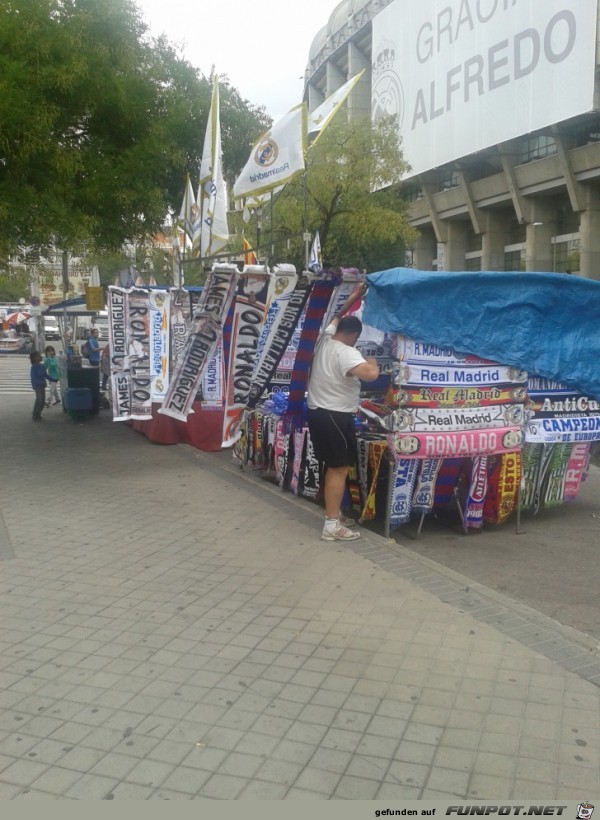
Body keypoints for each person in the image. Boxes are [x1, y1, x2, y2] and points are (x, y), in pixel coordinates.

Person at [307, 283, 380, 542]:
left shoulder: (325, 340)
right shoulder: (347, 352)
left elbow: (337, 314)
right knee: (338, 469)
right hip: (335, 416)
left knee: (332, 466)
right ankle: (331, 526)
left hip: (317, 413)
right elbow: (370, 375)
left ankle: (333, 514)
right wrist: (373, 359)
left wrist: (356, 296)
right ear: (354, 337)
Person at [30, 351, 47, 421]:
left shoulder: (42, 366)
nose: (41, 357)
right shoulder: (33, 367)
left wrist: (54, 379)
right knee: (39, 399)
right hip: (37, 386)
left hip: (42, 385)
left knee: (42, 400)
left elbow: (46, 375)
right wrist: (39, 382)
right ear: (34, 358)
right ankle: (35, 414)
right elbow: (33, 377)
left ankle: (39, 413)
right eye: (39, 356)